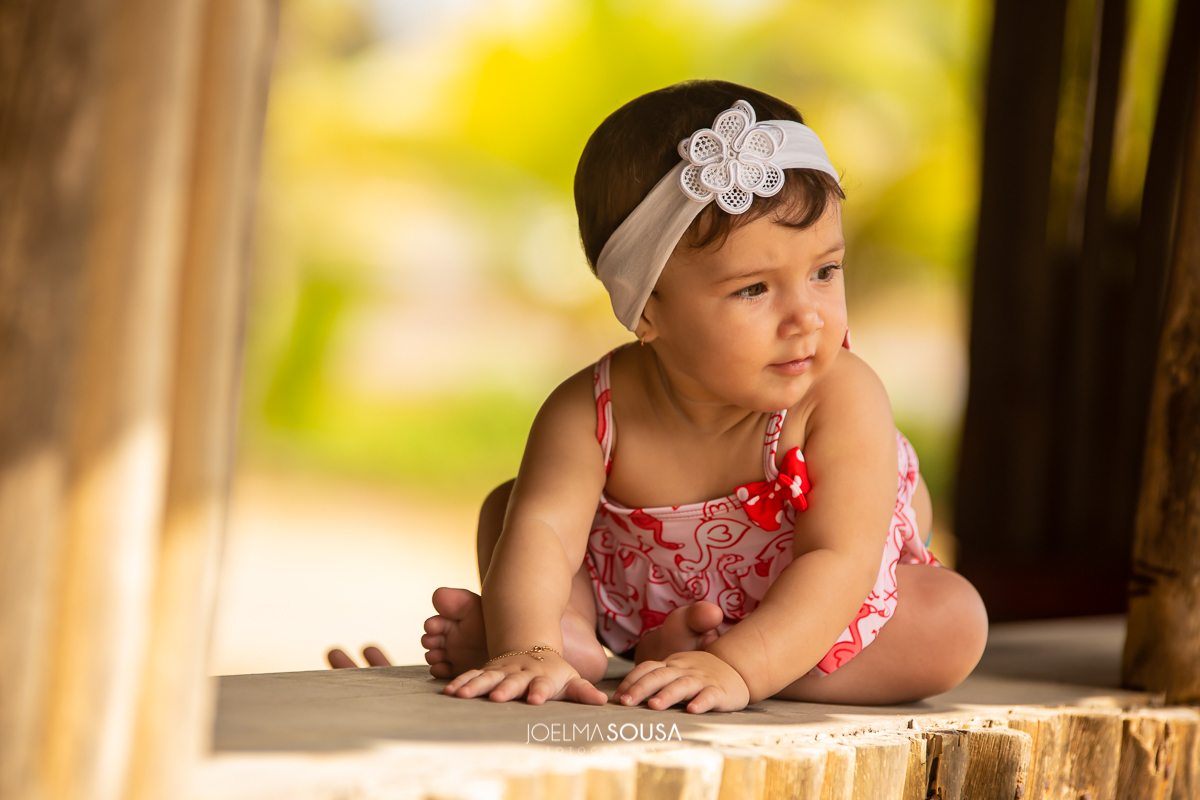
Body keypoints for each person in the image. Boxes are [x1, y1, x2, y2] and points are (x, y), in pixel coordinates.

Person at [335, 80, 988, 713]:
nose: (806, 318)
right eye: (754, 289)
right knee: (513, 512)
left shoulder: (839, 395)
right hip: (643, 595)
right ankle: (560, 646)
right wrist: (525, 641)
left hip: (815, 606)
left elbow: (839, 560)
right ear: (647, 311)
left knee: (952, 622)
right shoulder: (589, 410)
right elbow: (547, 533)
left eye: (824, 271)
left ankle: (696, 666)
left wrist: (740, 665)